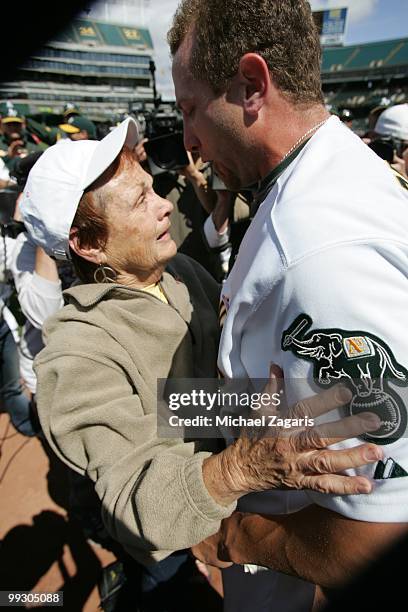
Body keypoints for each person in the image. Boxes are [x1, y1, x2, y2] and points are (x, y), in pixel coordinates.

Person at [20, 118, 381, 609]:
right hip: (165, 546)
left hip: (230, 506)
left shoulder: (182, 272)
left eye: (151, 187)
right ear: (88, 243)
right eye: (139, 201)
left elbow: (196, 395)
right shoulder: (73, 354)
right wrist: (240, 468)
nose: (164, 204)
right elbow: (133, 499)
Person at [168, 0, 408, 609]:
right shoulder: (315, 179)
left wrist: (238, 537)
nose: (190, 140)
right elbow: (277, 388)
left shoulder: (322, 256)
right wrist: (174, 414)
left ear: (251, 86)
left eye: (192, 109)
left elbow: (380, 533)